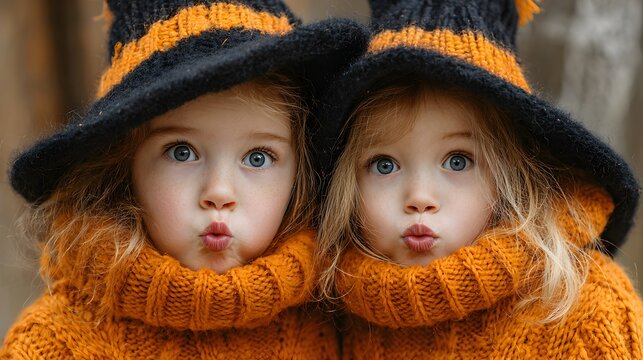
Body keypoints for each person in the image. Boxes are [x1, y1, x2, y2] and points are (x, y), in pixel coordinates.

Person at [1, 0, 367, 358]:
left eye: (258, 157)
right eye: (182, 152)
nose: (219, 192)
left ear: (300, 174)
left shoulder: (340, 314)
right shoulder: (56, 343)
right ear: (122, 166)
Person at [314, 0, 643, 358]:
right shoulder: (329, 312)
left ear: (511, 177)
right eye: (384, 165)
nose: (420, 197)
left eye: (457, 161)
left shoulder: (585, 311)